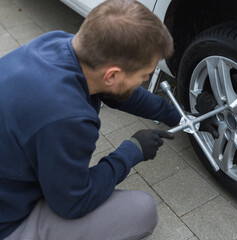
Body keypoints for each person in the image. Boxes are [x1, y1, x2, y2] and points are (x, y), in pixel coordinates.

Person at [0, 0, 181, 239]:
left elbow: (117, 93)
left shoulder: (58, 43)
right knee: (142, 211)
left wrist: (177, 114)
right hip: (7, 219)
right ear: (112, 75)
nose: (145, 80)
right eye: (143, 75)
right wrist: (131, 151)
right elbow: (73, 203)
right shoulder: (68, 117)